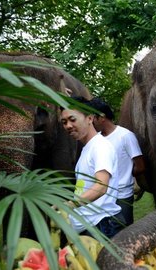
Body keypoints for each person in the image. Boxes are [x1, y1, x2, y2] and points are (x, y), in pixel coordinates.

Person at [60, 96, 124, 238]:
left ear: (89, 118)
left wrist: (69, 206)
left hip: (102, 226)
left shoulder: (100, 146)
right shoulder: (88, 148)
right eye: (64, 122)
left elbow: (101, 186)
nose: (68, 126)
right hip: (90, 226)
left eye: (72, 119)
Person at [89, 97, 145, 226]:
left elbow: (140, 166)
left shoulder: (125, 136)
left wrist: (125, 176)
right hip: (101, 196)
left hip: (122, 196)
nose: (90, 123)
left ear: (101, 117)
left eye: (92, 119)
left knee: (123, 234)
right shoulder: (97, 140)